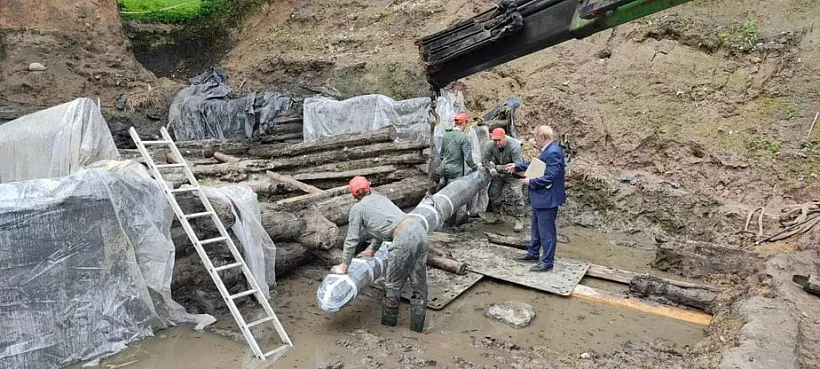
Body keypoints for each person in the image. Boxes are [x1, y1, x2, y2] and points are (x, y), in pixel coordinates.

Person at [330, 176, 430, 332]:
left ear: (354, 195)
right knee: (419, 283)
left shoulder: (358, 209)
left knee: (392, 285)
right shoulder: (379, 198)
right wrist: (373, 249)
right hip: (419, 231)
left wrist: (345, 265)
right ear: (369, 188)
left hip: (403, 239)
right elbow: (381, 225)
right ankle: (417, 331)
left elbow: (352, 239)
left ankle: (389, 329)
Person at [505, 125, 566, 272]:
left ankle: (547, 261)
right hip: (541, 198)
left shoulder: (553, 153)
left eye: (536, 137)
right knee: (536, 229)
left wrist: (530, 182)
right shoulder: (548, 150)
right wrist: (518, 165)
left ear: (543, 137)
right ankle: (533, 253)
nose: (534, 140)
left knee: (546, 231)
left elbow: (550, 177)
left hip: (547, 198)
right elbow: (537, 165)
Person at [480, 127, 525, 232]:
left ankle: (520, 218)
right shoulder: (490, 145)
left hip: (514, 173)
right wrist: (491, 168)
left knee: (516, 194)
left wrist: (498, 167)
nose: (497, 143)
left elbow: (517, 165)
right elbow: (484, 160)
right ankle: (498, 216)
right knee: (493, 193)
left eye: (499, 140)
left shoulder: (514, 146)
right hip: (499, 173)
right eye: (495, 140)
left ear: (504, 138)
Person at [439, 112, 477, 226]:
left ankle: (445, 219)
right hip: (456, 170)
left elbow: (441, 154)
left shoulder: (446, 136)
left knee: (444, 193)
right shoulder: (463, 138)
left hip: (445, 169)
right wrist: (475, 167)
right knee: (454, 196)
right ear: (464, 123)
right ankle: (451, 222)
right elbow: (468, 158)